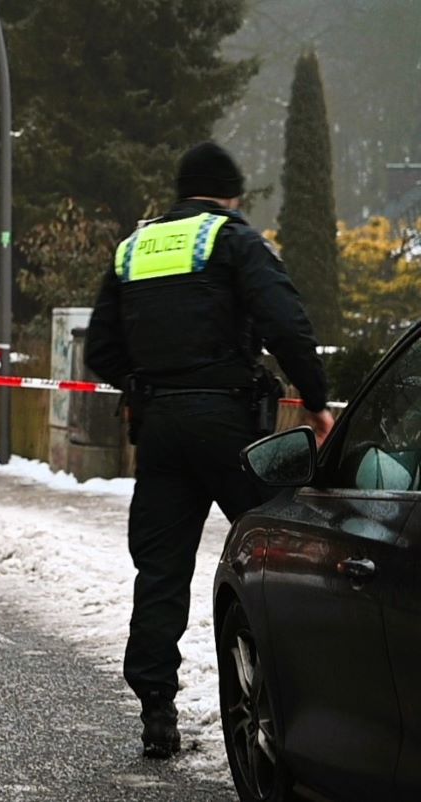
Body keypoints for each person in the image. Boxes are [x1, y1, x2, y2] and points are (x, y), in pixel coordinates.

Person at [85, 141, 334, 758]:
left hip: (162, 425)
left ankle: (157, 715)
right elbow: (285, 318)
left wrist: (149, 383)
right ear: (229, 195)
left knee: (161, 571)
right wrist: (316, 397)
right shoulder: (232, 238)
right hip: (227, 421)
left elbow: (101, 351)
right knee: (277, 549)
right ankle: (296, 703)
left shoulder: (134, 248)